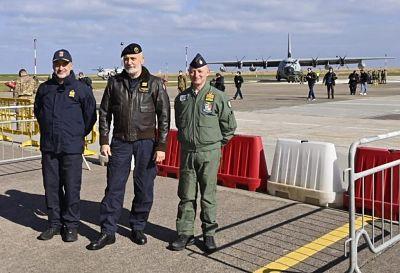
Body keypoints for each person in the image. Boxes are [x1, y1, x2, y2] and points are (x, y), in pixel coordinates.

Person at [87, 43, 170, 250]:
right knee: (114, 187)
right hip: (120, 142)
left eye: (133, 58)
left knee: (144, 187)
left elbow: (165, 117)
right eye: (126, 59)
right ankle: (108, 231)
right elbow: (104, 113)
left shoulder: (155, 84)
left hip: (147, 143)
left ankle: (138, 226)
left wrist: (161, 146)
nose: (129, 62)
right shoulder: (115, 83)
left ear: (142, 59)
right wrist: (104, 141)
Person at [170, 53, 237, 253]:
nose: (196, 75)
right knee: (186, 195)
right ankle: (185, 233)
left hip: (209, 152)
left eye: (200, 71)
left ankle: (209, 234)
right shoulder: (182, 98)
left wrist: (215, 144)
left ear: (207, 73)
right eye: (193, 71)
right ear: (189, 73)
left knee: (208, 196)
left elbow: (229, 127)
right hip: (188, 153)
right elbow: (180, 124)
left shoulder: (218, 97)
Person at [33, 49, 97, 242]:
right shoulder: (45, 89)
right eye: (57, 64)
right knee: (51, 187)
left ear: (71, 65)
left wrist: (75, 134)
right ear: (53, 66)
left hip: (71, 148)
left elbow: (90, 117)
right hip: (50, 147)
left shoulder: (81, 89)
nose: (60, 67)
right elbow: (38, 112)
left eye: (64, 64)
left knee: (71, 188)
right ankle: (54, 223)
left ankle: (70, 226)